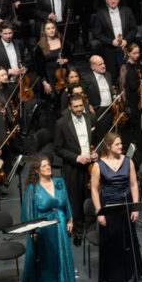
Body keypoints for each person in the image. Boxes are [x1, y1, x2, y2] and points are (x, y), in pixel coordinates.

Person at [18, 154, 76, 282]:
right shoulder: (33, 188)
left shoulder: (59, 182)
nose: (48, 167)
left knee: (61, 256)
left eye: (48, 165)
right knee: (48, 260)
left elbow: (66, 202)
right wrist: (32, 231)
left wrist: (70, 219)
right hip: (44, 229)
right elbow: (28, 212)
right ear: (37, 171)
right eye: (44, 166)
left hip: (60, 225)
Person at [90, 131, 142, 282]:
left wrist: (135, 207)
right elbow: (94, 190)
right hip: (109, 207)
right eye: (117, 144)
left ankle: (130, 275)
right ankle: (114, 277)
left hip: (126, 204)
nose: (121, 146)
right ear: (108, 146)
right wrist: (99, 212)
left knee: (128, 240)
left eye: (121, 144)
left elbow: (133, 185)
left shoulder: (128, 161)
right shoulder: (98, 165)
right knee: (112, 242)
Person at [54, 93, 95, 245]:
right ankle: (77, 230)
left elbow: (97, 140)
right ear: (69, 107)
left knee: (90, 196)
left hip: (90, 166)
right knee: (75, 199)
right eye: (76, 106)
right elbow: (57, 149)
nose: (79, 109)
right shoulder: (61, 123)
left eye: (81, 106)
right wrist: (76, 158)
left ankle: (91, 227)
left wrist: (96, 152)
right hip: (73, 167)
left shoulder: (90, 118)